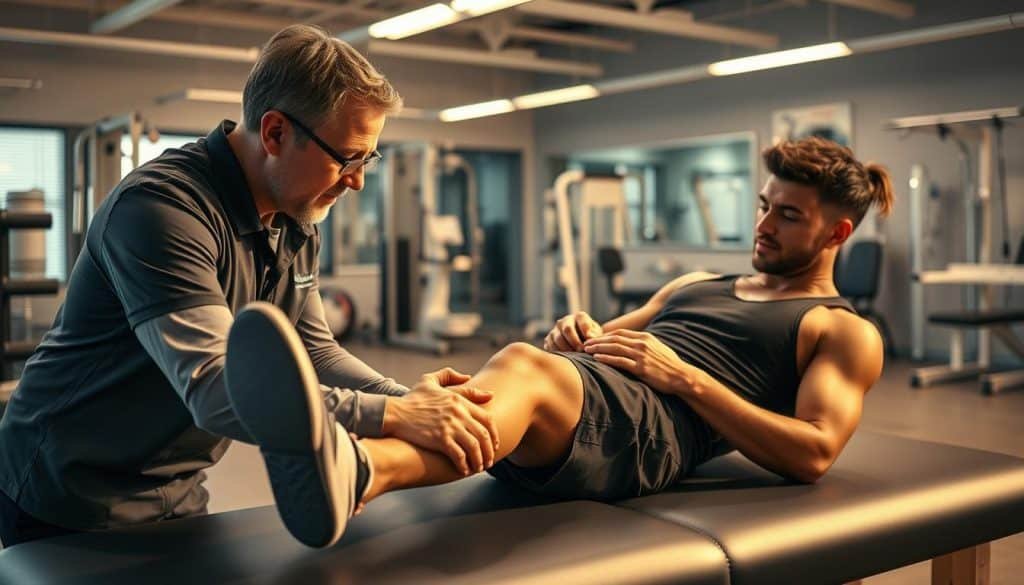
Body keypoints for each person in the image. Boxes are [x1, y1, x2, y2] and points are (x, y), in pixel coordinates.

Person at [227, 136, 892, 548]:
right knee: (513, 368)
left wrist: (686, 377)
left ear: (836, 234)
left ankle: (361, 459)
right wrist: (576, 332)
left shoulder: (840, 328)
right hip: (604, 399)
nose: (765, 224)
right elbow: (606, 339)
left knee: (520, 368)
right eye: (764, 205)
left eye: (788, 214)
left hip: (654, 431)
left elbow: (815, 452)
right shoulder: (700, 280)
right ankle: (362, 471)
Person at [0, 24, 500, 548]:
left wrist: (416, 402)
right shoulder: (161, 210)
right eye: (347, 157)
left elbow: (315, 351)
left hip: (178, 488)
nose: (356, 180)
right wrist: (396, 414)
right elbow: (217, 388)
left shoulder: (297, 219)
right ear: (275, 132)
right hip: (67, 493)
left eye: (366, 159)